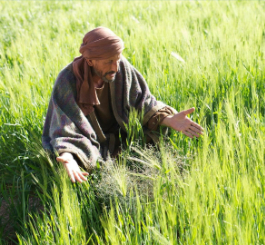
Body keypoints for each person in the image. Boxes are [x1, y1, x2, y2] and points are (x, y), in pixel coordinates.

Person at [42, 27, 204, 183]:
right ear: (90, 61)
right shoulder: (67, 80)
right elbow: (64, 126)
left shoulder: (121, 68)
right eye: (109, 62)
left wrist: (169, 119)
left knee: (156, 135)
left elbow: (143, 102)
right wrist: (69, 157)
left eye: (117, 59)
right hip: (88, 140)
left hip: (122, 134)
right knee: (81, 161)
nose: (115, 67)